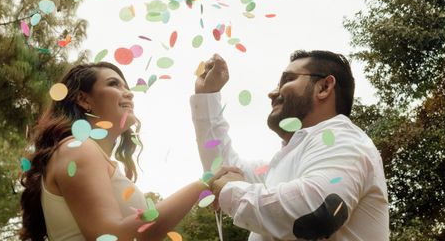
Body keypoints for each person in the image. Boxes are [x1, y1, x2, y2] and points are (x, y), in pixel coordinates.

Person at [191, 51, 389, 241]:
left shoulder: (345, 139)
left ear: (324, 88)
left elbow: (318, 211)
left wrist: (230, 190)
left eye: (288, 80)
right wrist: (207, 95)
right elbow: (221, 170)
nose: (272, 93)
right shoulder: (281, 166)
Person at [20, 61, 207, 241]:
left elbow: (143, 235)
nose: (129, 94)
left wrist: (207, 186)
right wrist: (202, 186)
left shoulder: (88, 153)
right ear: (84, 99)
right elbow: (108, 237)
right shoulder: (77, 149)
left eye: (126, 87)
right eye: (114, 84)